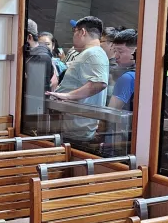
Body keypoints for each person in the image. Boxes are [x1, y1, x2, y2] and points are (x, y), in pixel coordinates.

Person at [46, 16, 109, 145]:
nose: (73, 36)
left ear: (82, 32)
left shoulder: (93, 53)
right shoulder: (91, 53)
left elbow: (99, 83)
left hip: (78, 129)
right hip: (73, 126)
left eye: (74, 31)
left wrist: (68, 95)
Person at [23, 20, 55, 116]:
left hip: (33, 111)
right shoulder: (32, 54)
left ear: (29, 37)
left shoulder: (40, 57)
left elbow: (36, 89)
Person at [108, 29, 138, 111]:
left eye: (120, 52)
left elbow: (111, 113)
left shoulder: (127, 78)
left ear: (137, 51)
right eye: (115, 51)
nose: (116, 56)